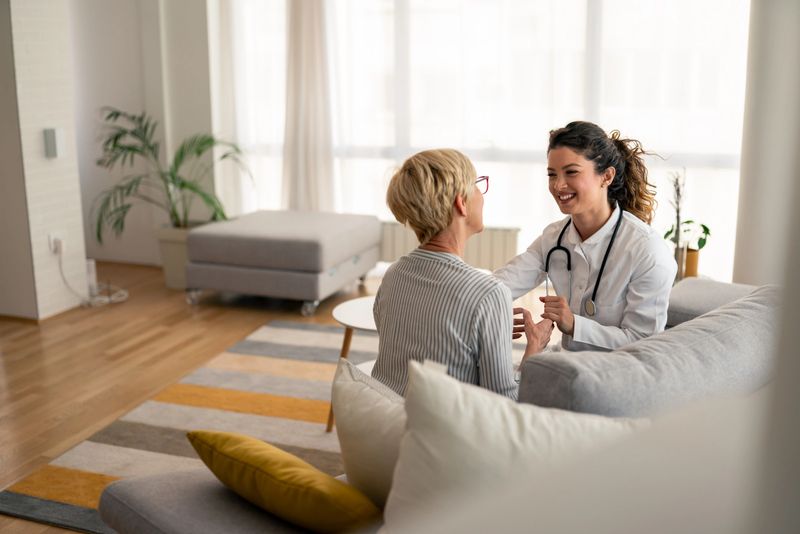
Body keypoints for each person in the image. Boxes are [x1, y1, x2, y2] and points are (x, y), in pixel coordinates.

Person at [372, 149, 553, 399]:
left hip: (386, 422)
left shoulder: (393, 275)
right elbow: (503, 403)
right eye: (478, 185)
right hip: (442, 432)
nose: (482, 194)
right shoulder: (489, 293)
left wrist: (487, 328)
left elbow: (422, 346)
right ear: (461, 203)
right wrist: (534, 347)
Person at [494, 121, 677, 352]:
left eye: (571, 172)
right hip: (567, 365)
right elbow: (502, 284)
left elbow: (643, 343)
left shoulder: (647, 250)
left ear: (607, 176)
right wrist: (489, 312)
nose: (558, 185)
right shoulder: (554, 238)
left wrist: (573, 324)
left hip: (617, 375)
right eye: (552, 174)